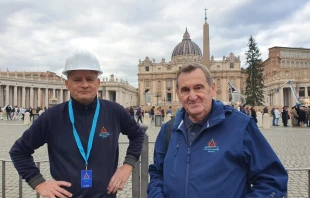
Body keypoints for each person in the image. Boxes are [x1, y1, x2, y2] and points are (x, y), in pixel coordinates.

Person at [10, 50, 145, 198]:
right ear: (67, 84)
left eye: (90, 79)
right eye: (77, 80)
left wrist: (127, 166)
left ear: (98, 83)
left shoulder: (114, 111)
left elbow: (138, 135)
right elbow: (19, 151)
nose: (85, 85)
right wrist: (39, 183)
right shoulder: (51, 117)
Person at [148, 64, 288, 198]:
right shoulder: (168, 130)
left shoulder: (241, 126)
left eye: (198, 87)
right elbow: (157, 174)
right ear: (178, 94)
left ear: (212, 89)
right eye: (185, 90)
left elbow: (273, 180)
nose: (192, 96)